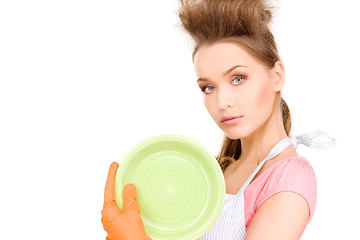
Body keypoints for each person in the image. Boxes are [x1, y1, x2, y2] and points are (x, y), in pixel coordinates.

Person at [101, 0, 336, 239]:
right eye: (209, 87)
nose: (222, 102)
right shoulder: (216, 171)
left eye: (238, 78)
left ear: (277, 76)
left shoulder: (289, 177)